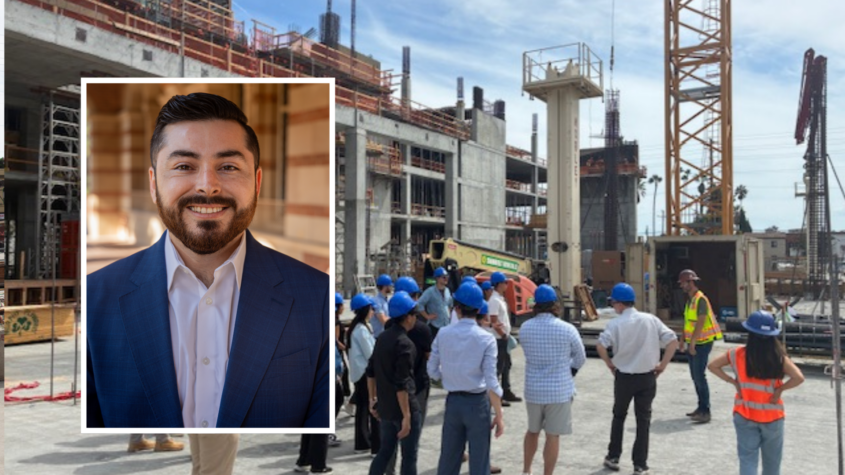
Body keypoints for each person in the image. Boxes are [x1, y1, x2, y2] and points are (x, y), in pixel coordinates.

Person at [87, 92, 329, 430]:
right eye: (184, 166)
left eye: (228, 167)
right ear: (154, 184)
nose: (207, 186)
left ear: (257, 182)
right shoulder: (98, 297)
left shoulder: (314, 297)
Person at [708, 311, 805, 475]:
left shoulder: (736, 354)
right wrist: (779, 390)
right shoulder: (778, 357)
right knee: (772, 465)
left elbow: (712, 366)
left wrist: (732, 381)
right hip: (772, 417)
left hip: (745, 415)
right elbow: (799, 377)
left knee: (747, 461)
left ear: (750, 333)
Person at [597, 283, 678, 475]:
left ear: (619, 304)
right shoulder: (650, 319)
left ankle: (613, 456)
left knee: (619, 416)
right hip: (647, 377)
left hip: (624, 377)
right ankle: (640, 465)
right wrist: (662, 365)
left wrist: (610, 364)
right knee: (643, 420)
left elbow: (601, 346)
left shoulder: (615, 324)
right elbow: (673, 341)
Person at [428, 282, 504, 475]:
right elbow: (491, 381)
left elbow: (432, 370)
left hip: (453, 401)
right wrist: (499, 414)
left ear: (456, 308)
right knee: (479, 461)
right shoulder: (486, 339)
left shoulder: (443, 334)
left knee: (448, 458)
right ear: (479, 309)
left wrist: (448, 377)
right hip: (477, 403)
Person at [519, 284, 586, 475]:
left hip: (533, 390)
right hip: (559, 391)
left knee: (532, 431)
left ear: (535, 305)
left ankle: (526, 470)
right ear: (556, 304)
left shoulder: (525, 328)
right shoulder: (567, 329)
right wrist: (569, 370)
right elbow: (580, 358)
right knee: (552, 435)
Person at [367, 291, 424, 475]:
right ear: (407, 317)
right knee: (409, 456)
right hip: (402, 408)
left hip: (386, 408)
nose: (415, 319)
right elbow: (402, 384)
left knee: (385, 452)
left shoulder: (382, 338)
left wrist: (372, 399)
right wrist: (406, 416)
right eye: (414, 315)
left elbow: (370, 371)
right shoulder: (405, 344)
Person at [678, 269, 723, 423]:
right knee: (695, 377)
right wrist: (683, 340)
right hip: (695, 343)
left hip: (702, 343)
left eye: (683, 283)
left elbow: (701, 322)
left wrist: (693, 343)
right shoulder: (690, 300)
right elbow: (687, 323)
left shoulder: (700, 299)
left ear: (690, 282)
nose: (682, 286)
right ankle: (700, 407)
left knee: (699, 376)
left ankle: (705, 411)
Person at [347, 293, 380, 456]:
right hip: (365, 374)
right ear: (365, 310)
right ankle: (373, 445)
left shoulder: (359, 327)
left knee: (362, 409)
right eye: (371, 309)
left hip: (359, 373)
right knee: (371, 407)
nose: (373, 312)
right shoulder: (361, 330)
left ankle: (362, 443)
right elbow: (371, 354)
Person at [487, 272, 521, 404]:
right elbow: (494, 321)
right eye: (505, 282)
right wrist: (503, 334)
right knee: (498, 367)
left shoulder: (500, 298)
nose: (507, 285)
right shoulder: (494, 301)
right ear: (499, 284)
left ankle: (506, 391)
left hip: (503, 337)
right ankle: (496, 397)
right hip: (498, 338)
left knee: (506, 365)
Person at [418, 267, 453, 338]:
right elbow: (419, 304)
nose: (446, 279)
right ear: (437, 278)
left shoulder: (447, 290)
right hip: (435, 326)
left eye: (447, 277)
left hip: (446, 324)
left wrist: (447, 314)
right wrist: (427, 316)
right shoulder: (430, 291)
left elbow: (449, 304)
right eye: (444, 277)